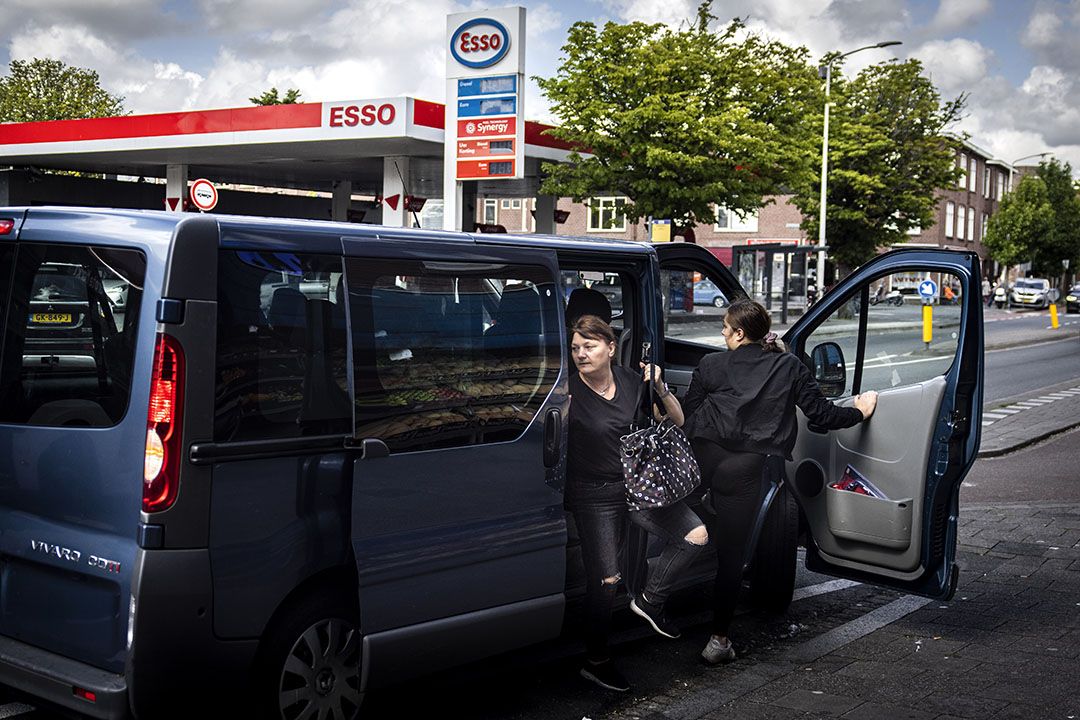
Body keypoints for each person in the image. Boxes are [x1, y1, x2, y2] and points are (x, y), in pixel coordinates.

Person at [681, 300, 878, 665]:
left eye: (726, 327)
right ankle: (718, 641)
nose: (723, 333)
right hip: (743, 471)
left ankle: (656, 593)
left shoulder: (710, 364)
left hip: (702, 463)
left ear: (740, 333)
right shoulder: (788, 367)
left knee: (686, 525)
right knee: (731, 557)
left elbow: (691, 410)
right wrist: (860, 411)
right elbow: (821, 413)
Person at [566, 314, 709, 692]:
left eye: (590, 346)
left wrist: (660, 387)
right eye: (576, 348)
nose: (582, 354)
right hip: (594, 492)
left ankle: (650, 601)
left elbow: (675, 420)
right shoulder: (567, 391)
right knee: (607, 579)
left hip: (640, 486)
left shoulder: (632, 381)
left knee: (695, 534)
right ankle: (597, 660)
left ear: (611, 348)